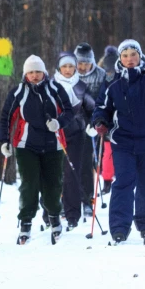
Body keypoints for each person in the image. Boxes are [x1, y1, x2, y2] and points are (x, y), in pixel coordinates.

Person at [92, 39, 145, 243]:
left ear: (140, 56)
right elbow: (102, 106)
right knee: (123, 183)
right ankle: (119, 227)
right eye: (125, 55)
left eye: (133, 54)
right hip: (122, 141)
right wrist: (100, 121)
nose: (130, 59)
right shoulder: (112, 80)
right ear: (120, 59)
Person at [0, 55, 74, 244]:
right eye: (31, 72)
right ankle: (25, 223)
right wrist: (4, 141)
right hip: (26, 145)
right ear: (25, 74)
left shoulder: (55, 89)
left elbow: (69, 111)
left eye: (38, 71)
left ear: (44, 72)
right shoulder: (18, 92)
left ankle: (54, 219)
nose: (34, 75)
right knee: (28, 185)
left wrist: (59, 123)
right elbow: (6, 117)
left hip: (53, 145)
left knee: (53, 184)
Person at [53, 51, 95, 229]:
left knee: (72, 173)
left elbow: (93, 108)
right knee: (53, 173)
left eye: (71, 66)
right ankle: (51, 211)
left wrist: (94, 123)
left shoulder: (81, 87)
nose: (68, 70)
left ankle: (72, 214)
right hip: (53, 135)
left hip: (76, 134)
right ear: (59, 68)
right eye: (65, 66)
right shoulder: (50, 86)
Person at [74, 42, 106, 215]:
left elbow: (102, 100)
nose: (83, 67)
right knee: (69, 163)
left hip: (90, 124)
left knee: (87, 163)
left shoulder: (100, 75)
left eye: (86, 63)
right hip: (71, 122)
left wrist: (96, 121)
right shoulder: (69, 72)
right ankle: (68, 199)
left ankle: (87, 199)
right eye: (80, 63)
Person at [95, 45, 120, 194]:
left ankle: (107, 180)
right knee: (108, 152)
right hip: (109, 118)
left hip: (108, 117)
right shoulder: (114, 66)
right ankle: (108, 179)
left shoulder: (102, 67)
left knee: (107, 153)